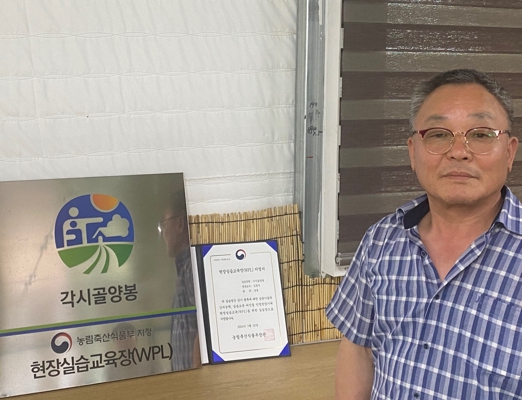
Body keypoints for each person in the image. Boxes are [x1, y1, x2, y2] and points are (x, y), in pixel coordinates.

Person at [326, 69, 521, 399]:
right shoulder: (380, 241)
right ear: (413, 152)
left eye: (481, 134)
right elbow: (358, 349)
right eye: (439, 134)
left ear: (510, 152)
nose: (458, 151)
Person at [159, 192, 201, 371]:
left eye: (164, 225)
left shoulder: (192, 265)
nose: (162, 233)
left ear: (180, 224)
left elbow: (205, 326)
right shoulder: (183, 269)